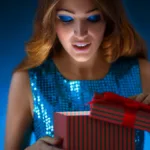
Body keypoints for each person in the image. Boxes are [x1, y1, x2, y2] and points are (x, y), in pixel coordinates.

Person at [4, 0, 150, 149]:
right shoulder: (28, 79)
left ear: (108, 19)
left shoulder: (142, 72)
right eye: (67, 19)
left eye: (93, 18)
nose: (80, 33)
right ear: (50, 21)